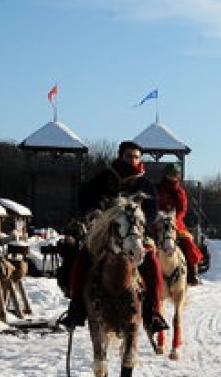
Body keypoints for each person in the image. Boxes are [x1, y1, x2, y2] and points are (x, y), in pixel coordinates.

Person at [60, 141, 167, 332]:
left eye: (136, 157)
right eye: (129, 156)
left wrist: (139, 218)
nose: (133, 160)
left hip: (135, 231)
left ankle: (152, 312)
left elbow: (152, 211)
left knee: (151, 263)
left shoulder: (146, 184)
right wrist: (93, 212)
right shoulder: (105, 177)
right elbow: (85, 197)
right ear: (120, 156)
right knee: (83, 258)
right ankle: (76, 307)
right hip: (106, 231)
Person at [156, 163, 204, 285]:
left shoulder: (180, 192)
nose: (172, 177)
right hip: (157, 220)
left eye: (175, 175)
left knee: (188, 242)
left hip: (175, 221)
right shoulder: (157, 188)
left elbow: (182, 209)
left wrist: (173, 218)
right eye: (170, 174)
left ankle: (192, 273)